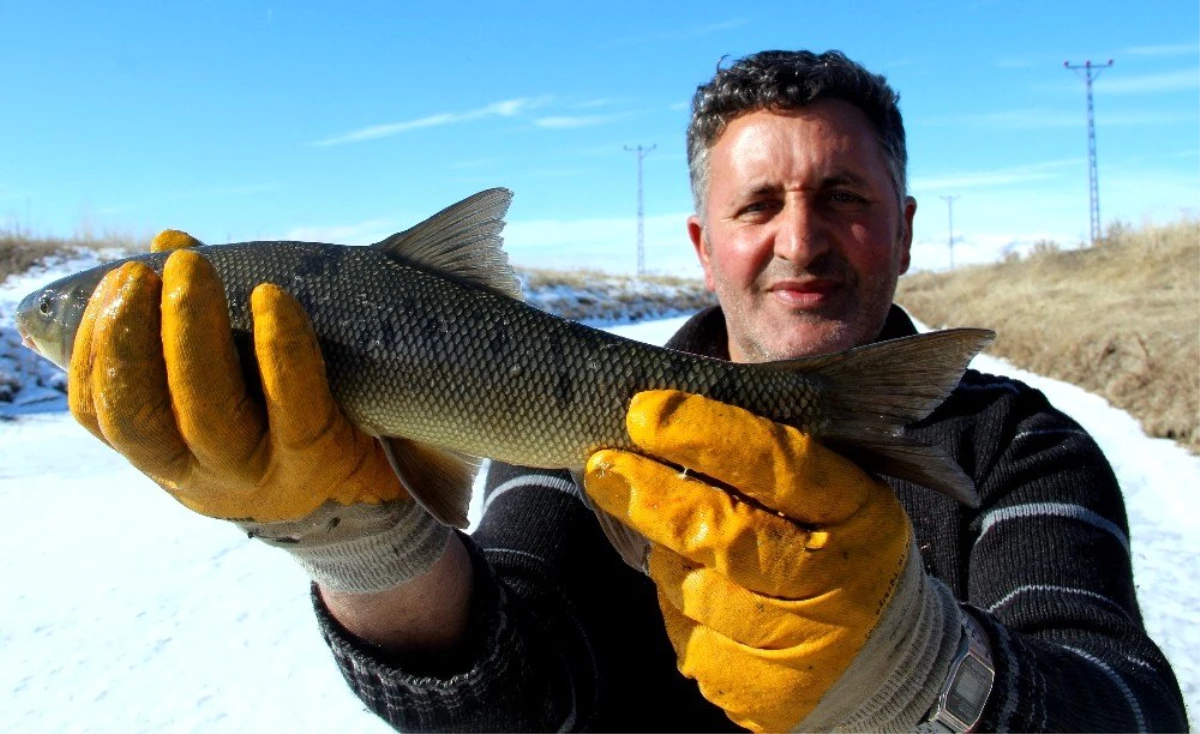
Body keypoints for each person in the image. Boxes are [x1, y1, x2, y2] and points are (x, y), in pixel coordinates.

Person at [66, 50, 1187, 732]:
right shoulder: (553, 418)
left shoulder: (1021, 447)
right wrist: (359, 542)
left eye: (842, 195)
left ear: (903, 227)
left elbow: (1131, 708)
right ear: (704, 243)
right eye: (758, 207)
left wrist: (920, 676)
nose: (802, 240)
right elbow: (518, 680)